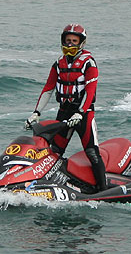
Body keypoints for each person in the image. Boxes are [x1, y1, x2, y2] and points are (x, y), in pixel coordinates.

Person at [25, 24, 107, 192]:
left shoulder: (89, 63)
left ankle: (104, 189)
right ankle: (46, 184)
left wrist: (81, 112)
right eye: (67, 41)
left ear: (81, 43)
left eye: (74, 41)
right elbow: (48, 88)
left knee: (92, 152)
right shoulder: (58, 64)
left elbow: (90, 91)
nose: (70, 45)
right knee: (54, 151)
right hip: (64, 112)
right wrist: (36, 112)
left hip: (84, 114)